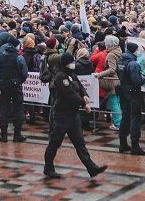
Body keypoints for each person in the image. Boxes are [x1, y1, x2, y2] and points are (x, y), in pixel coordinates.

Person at [44, 50, 107, 180]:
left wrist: (85, 96)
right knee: (54, 143)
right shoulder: (60, 76)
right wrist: (84, 104)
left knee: (80, 143)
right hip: (62, 116)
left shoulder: (71, 73)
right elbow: (69, 94)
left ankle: (92, 168)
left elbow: (80, 87)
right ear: (65, 63)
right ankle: (48, 167)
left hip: (73, 115)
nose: (73, 64)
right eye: (71, 62)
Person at [0, 33, 27, 142]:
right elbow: (24, 74)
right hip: (15, 86)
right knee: (18, 109)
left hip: (4, 85)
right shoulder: (19, 58)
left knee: (4, 109)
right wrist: (18, 81)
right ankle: (17, 135)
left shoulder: (0, 57)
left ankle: (3, 135)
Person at [117, 41, 145, 155]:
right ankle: (135, 145)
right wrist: (144, 77)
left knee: (125, 117)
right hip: (133, 93)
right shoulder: (133, 64)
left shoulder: (120, 61)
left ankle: (123, 143)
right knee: (135, 118)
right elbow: (137, 81)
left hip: (123, 91)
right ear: (134, 50)